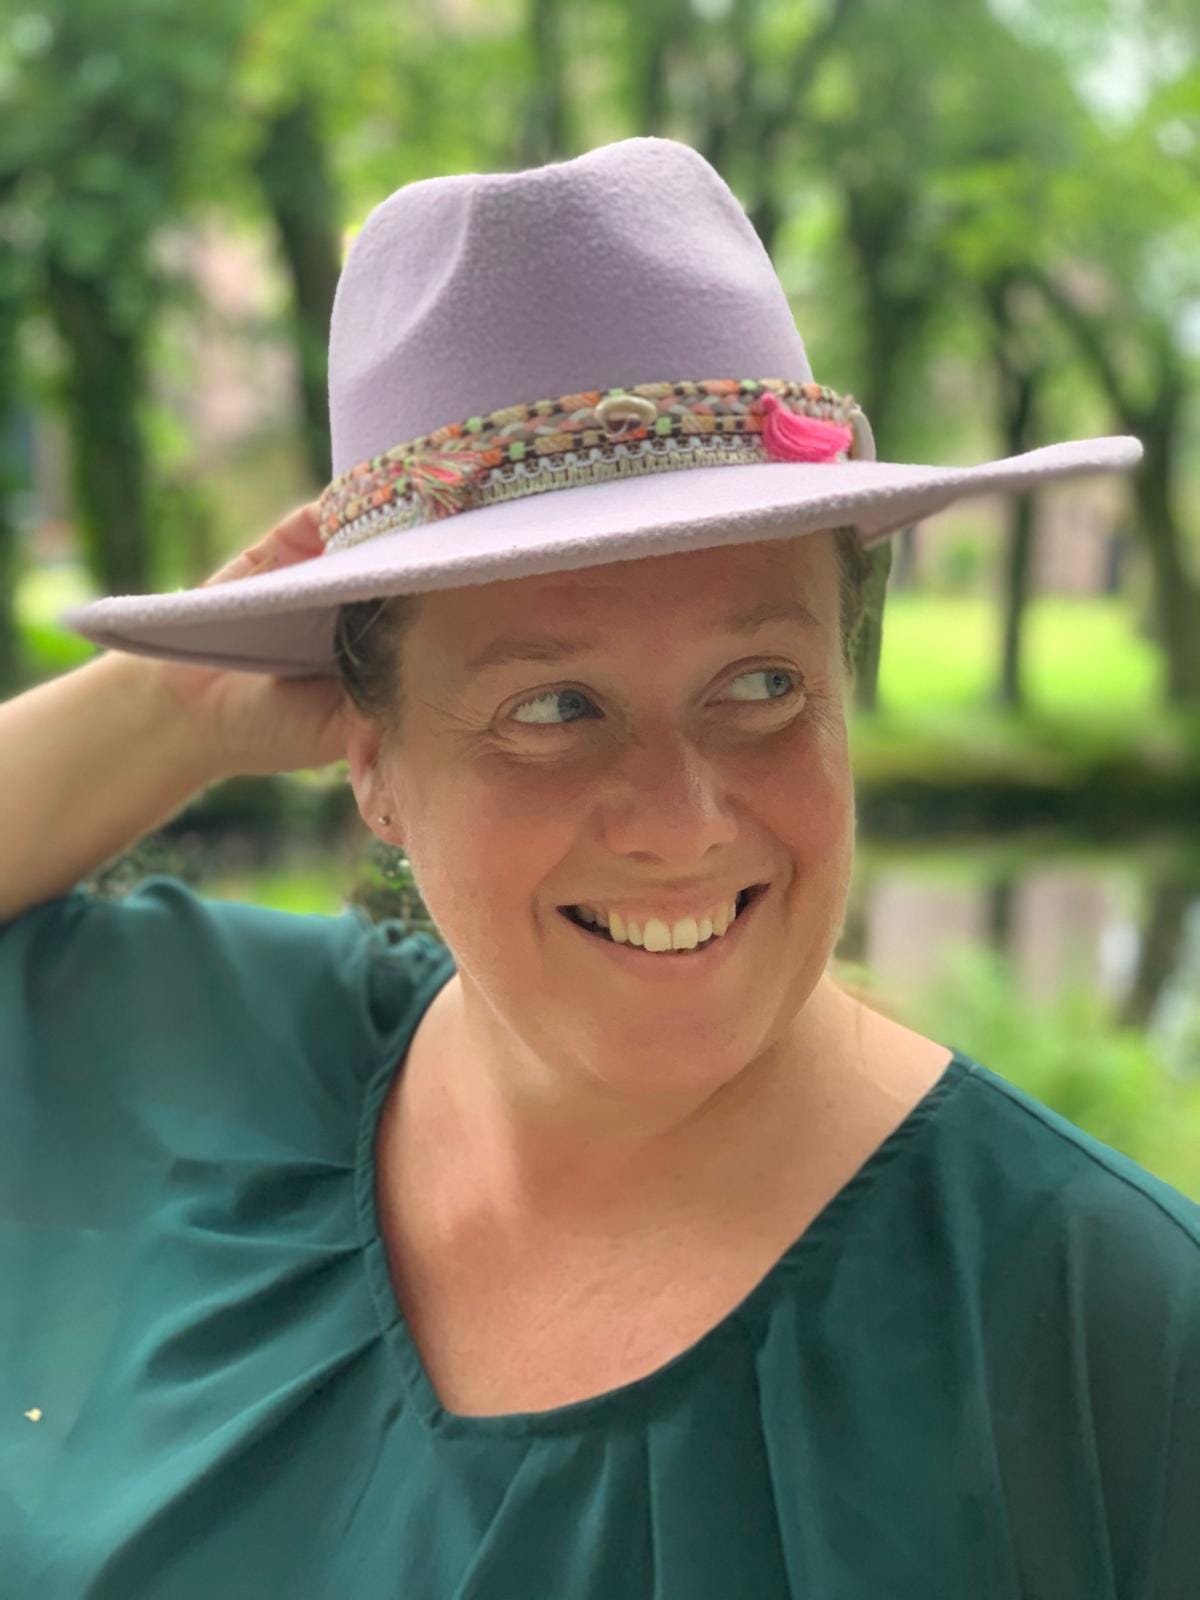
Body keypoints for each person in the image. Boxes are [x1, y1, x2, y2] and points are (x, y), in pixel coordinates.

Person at [2, 137, 1195, 1598]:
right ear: (371, 761)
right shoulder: (217, 1061)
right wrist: (173, 701)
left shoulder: (1114, 1333)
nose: (680, 822)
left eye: (762, 684)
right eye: (554, 707)